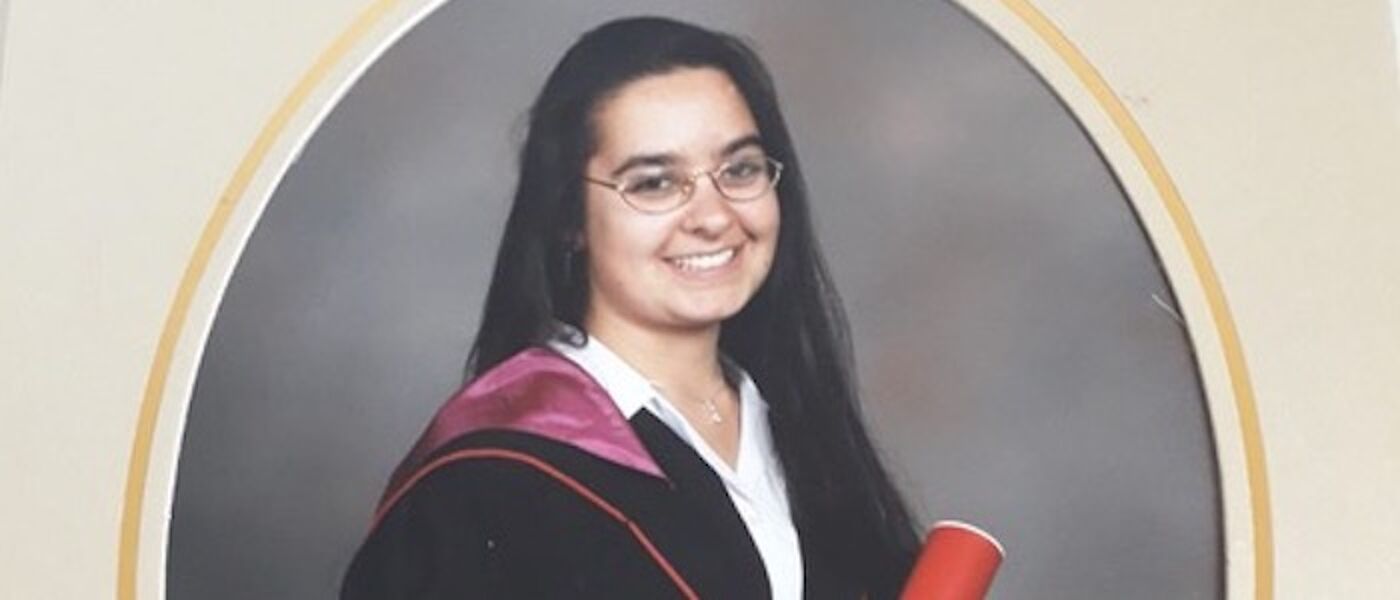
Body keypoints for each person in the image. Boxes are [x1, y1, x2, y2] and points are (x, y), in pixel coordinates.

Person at [342, 16, 919, 599]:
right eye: (654, 183)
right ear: (569, 218)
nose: (714, 216)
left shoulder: (802, 434)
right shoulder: (488, 475)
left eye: (740, 170)